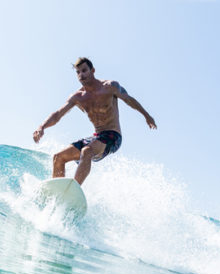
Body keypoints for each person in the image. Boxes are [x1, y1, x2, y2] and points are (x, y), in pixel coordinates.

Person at [33, 57, 157, 185]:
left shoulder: (110, 86)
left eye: (84, 70)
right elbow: (58, 114)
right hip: (96, 138)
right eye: (78, 72)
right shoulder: (78, 97)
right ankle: (59, 194)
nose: (81, 75)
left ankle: (73, 189)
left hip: (113, 136)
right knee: (58, 157)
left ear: (92, 70)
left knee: (86, 151)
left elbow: (129, 99)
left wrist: (146, 116)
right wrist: (42, 127)